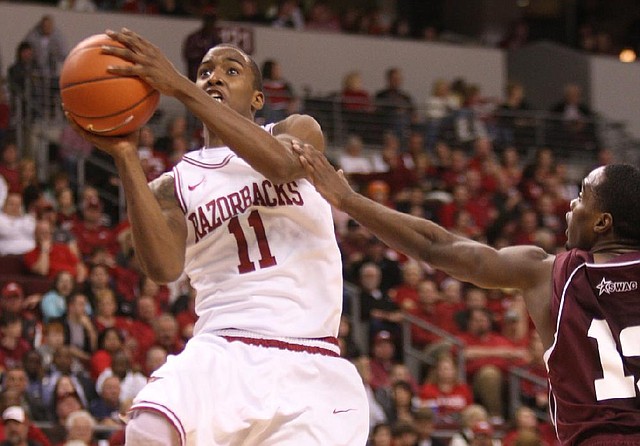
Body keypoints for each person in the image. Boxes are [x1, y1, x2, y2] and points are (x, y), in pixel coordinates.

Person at [64, 28, 369, 444]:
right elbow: (163, 268)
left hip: (308, 356)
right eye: (204, 71)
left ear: (257, 98)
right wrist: (125, 156)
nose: (214, 77)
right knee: (148, 430)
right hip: (223, 346)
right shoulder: (173, 186)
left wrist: (181, 87)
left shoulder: (296, 130)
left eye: (231, 70)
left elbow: (280, 166)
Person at [295, 142, 640, 443]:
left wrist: (348, 199)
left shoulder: (549, 272)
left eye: (581, 198)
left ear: (601, 223)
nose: (570, 205)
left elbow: (437, 247)